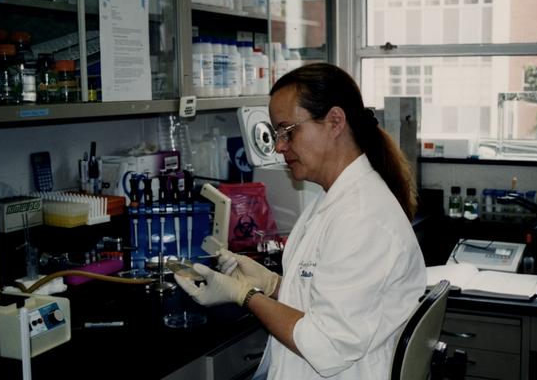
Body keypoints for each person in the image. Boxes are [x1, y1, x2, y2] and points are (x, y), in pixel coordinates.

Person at [174, 62, 427, 379]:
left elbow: (328, 346)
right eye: (276, 134)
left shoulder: (361, 217)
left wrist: (245, 295)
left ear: (334, 122)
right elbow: (325, 296)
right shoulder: (333, 197)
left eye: (287, 131)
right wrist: (272, 284)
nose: (279, 146)